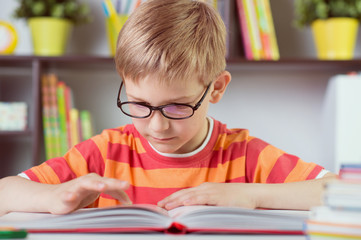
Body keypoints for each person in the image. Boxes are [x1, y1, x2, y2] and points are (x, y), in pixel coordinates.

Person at [0, 0, 336, 216]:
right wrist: (54, 197)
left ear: (216, 88)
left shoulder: (244, 155)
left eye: (177, 107)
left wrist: (249, 195)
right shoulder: (105, 153)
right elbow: (4, 193)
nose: (157, 126)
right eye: (139, 104)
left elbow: (343, 192)